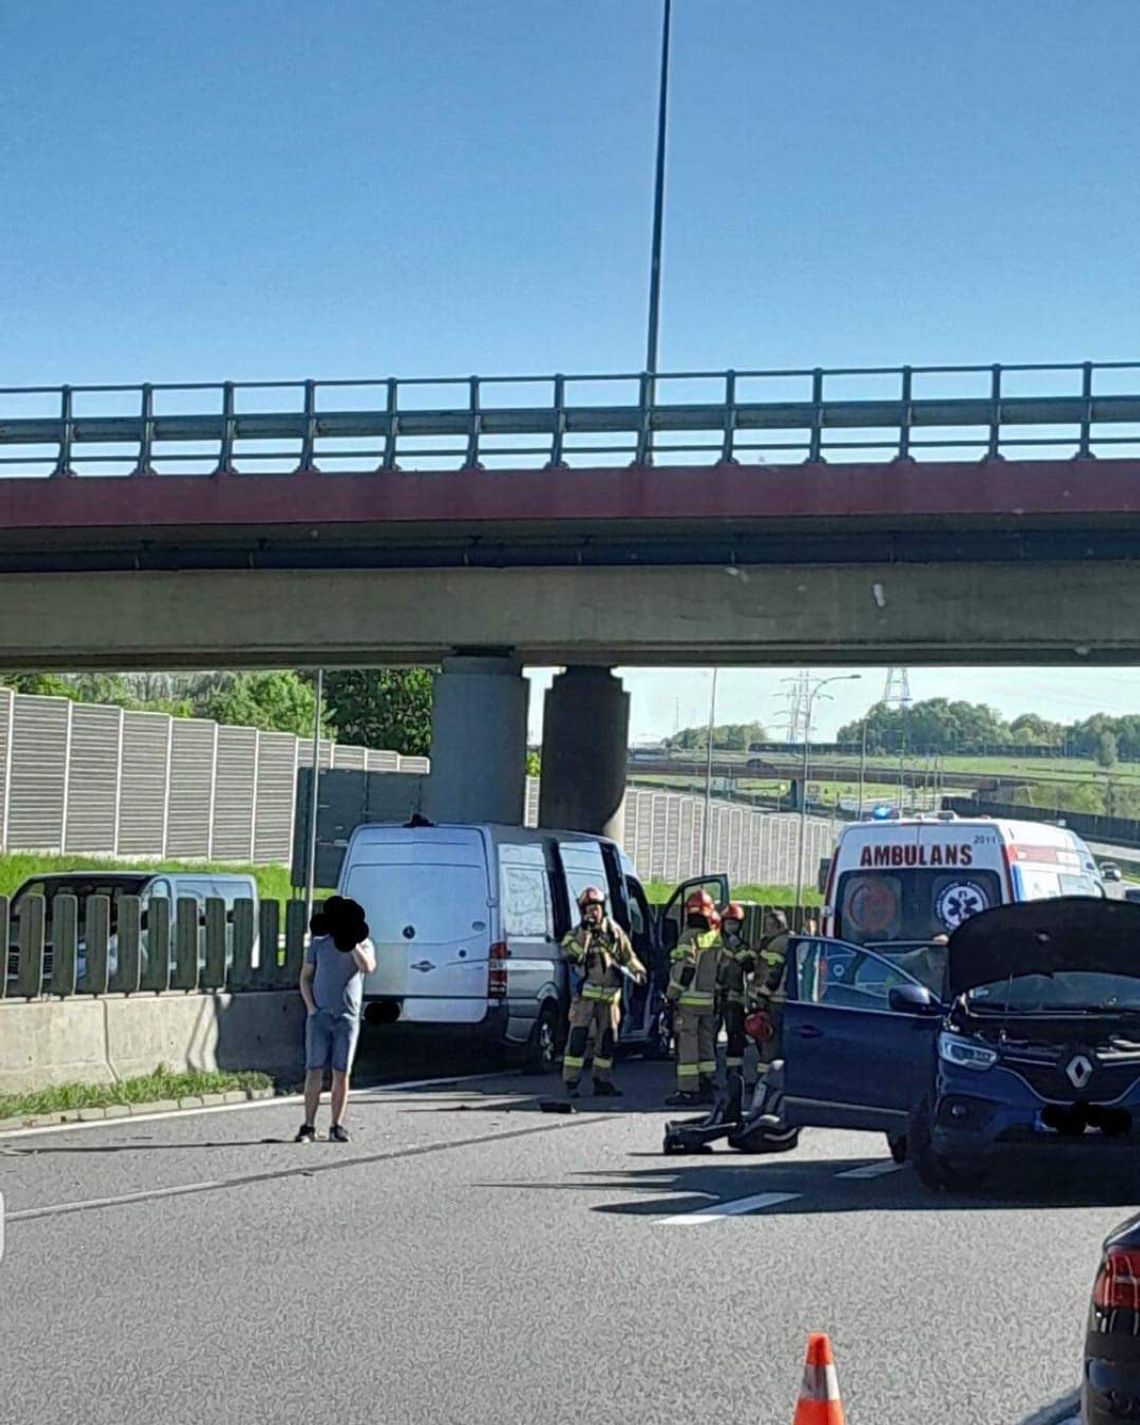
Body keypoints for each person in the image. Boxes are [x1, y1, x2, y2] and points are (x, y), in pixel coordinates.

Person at [297, 895, 377, 1143]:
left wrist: (352, 942)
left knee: (342, 1072)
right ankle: (308, 1125)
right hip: (320, 1017)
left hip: (347, 1018)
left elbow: (368, 967)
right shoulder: (320, 944)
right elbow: (305, 978)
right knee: (314, 1070)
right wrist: (311, 1007)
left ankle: (336, 1125)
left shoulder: (364, 944)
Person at [561, 886, 646, 1098]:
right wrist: (585, 933)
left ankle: (602, 1080)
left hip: (610, 1000)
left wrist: (639, 971)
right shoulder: (575, 934)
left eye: (596, 908)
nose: (593, 913)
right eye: (589, 909)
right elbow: (574, 955)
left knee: (607, 1041)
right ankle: (571, 1082)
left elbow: (628, 956)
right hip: (585, 999)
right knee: (578, 1040)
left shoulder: (615, 933)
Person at [665, 889, 724, 1106]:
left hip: (688, 1000)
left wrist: (673, 993)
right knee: (706, 1042)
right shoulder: (714, 938)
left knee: (687, 1044)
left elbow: (687, 967)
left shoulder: (688, 936)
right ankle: (707, 1084)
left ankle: (688, 1090)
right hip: (707, 1001)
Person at [749, 908, 790, 1111]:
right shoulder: (790, 941)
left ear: (778, 926)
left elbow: (774, 974)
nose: (765, 929)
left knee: (769, 1045)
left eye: (768, 925)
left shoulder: (777, 944)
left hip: (775, 1000)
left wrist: (762, 994)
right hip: (787, 1001)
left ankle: (764, 1086)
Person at [716, 901, 755, 1080]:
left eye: (735, 924)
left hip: (735, 998)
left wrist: (738, 947)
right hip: (715, 996)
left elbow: (749, 966)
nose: (732, 927)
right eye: (729, 923)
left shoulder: (744, 946)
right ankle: (708, 1076)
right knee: (710, 1036)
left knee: (735, 1036)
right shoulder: (715, 943)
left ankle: (734, 1074)